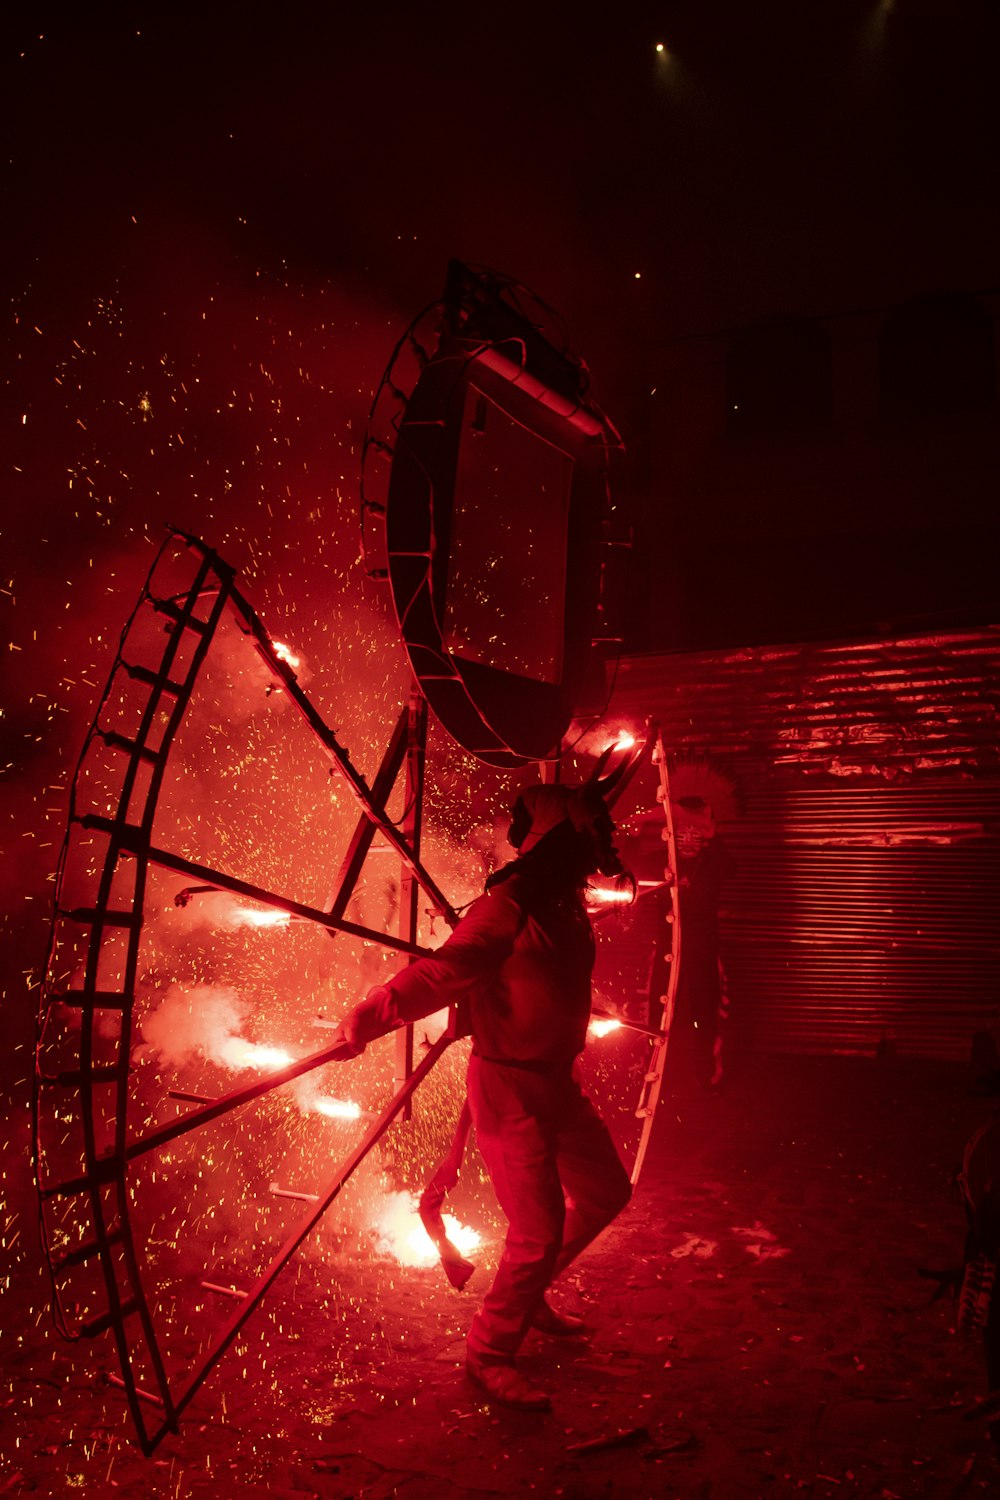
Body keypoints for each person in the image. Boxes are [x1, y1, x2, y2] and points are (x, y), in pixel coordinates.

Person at [330, 782, 633, 1411]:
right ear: (560, 842)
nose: (600, 848)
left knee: (606, 1192)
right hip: (508, 1087)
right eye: (588, 837)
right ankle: (489, 1354)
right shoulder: (511, 904)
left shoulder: (563, 903)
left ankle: (526, 1297)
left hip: (554, 1080)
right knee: (539, 1227)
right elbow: (448, 970)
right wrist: (373, 1013)